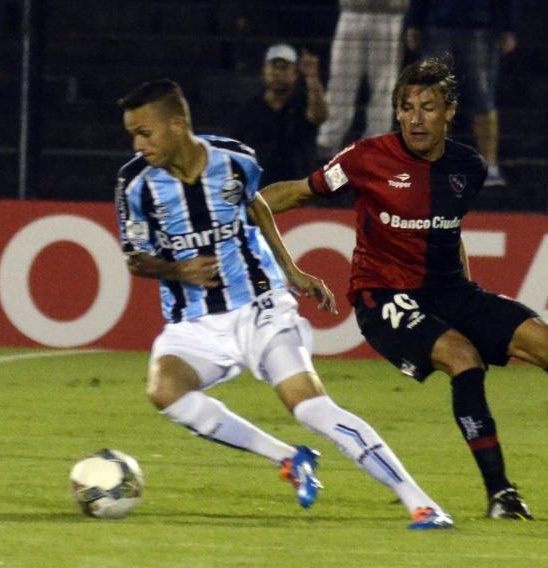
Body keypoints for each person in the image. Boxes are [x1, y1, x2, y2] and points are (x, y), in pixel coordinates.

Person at [261, 57, 548, 520]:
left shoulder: (468, 166)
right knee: (462, 357)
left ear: (450, 112)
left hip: (450, 290)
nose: (415, 118)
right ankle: (501, 494)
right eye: (406, 107)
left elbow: (447, 230)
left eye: (428, 107)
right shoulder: (365, 159)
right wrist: (292, 270)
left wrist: (469, 295)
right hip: (382, 295)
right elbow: (272, 199)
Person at [114, 78, 452, 530]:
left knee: (312, 408)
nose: (139, 144)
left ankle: (422, 503)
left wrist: (292, 272)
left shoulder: (235, 160)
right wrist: (178, 271)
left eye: (145, 132)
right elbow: (136, 259)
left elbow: (256, 208)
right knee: (165, 390)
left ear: (176, 125)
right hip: (192, 320)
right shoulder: (134, 183)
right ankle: (290, 458)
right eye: (133, 134)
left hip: (261, 307)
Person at [405, 0, 518, 187]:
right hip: (440, 26)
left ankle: (489, 166)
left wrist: (509, 27)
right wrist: (414, 22)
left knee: (482, 99)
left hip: (478, 27)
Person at [315, 0, 408, 160]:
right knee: (341, 81)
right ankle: (328, 142)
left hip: (389, 13)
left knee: (384, 86)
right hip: (352, 9)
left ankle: (377, 145)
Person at [233, 44, 327, 187]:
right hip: (259, 192)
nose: (277, 73)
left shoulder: (303, 103)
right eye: (273, 67)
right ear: (264, 71)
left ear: (295, 74)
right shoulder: (249, 110)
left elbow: (319, 116)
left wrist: (311, 76)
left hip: (297, 192)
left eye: (284, 68)